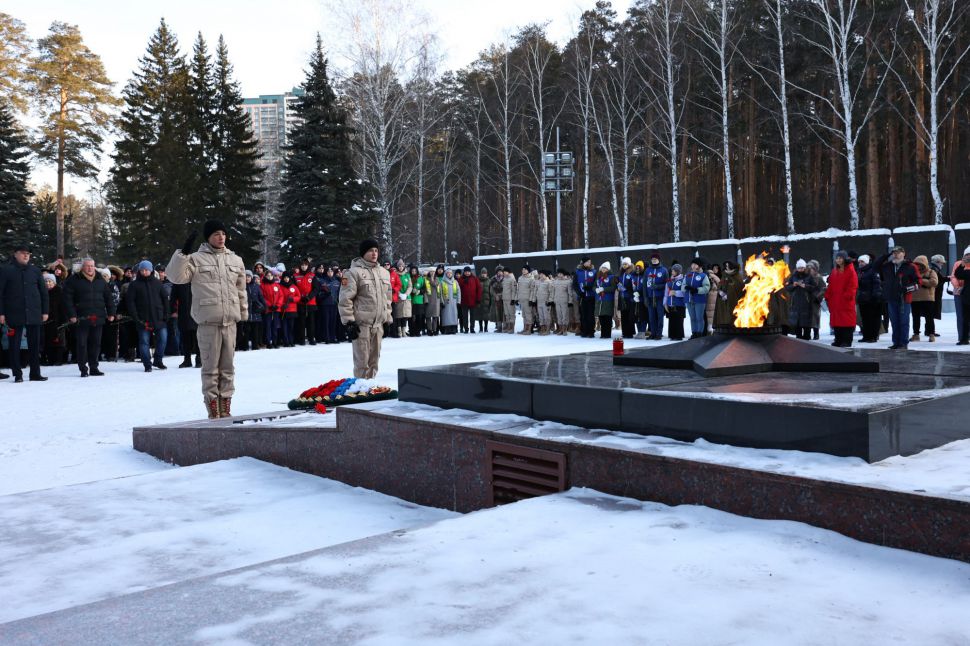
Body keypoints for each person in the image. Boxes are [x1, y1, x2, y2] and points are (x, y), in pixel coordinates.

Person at [167, 220, 248, 418]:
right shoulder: (195, 259)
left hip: (230, 322)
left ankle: (225, 405)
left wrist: (243, 316)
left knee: (228, 368)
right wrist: (183, 254)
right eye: (216, 234)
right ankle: (213, 407)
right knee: (211, 368)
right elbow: (175, 277)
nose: (221, 237)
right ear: (208, 237)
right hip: (208, 323)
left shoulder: (235, 260)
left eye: (223, 233)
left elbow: (241, 291)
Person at [339, 240, 392, 379]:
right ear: (363, 253)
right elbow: (345, 299)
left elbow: (388, 299)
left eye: (376, 250)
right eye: (370, 250)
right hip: (361, 325)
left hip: (378, 325)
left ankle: (370, 388)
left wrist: (387, 320)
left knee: (374, 362)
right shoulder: (352, 273)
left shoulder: (384, 273)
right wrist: (349, 322)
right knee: (362, 363)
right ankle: (360, 391)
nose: (374, 253)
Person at [0, 244, 49, 382]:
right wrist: (1, 313)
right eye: (23, 253)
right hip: (14, 313)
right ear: (15, 254)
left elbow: (43, 292)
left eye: (28, 253)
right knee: (14, 345)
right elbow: (1, 293)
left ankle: (35, 373)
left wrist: (45, 311)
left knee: (34, 345)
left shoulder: (35, 271)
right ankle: (18, 374)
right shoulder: (6, 270)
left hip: (34, 313)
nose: (26, 255)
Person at [62, 258, 116, 377]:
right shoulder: (74, 280)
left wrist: (111, 313)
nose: (90, 268)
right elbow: (67, 300)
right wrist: (72, 315)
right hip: (81, 318)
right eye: (87, 266)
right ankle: (83, 369)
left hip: (98, 317)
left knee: (95, 344)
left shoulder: (100, 280)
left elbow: (108, 298)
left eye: (92, 266)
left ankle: (94, 367)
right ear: (82, 267)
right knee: (82, 344)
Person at [872, 246, 920, 350]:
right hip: (891, 298)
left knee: (903, 321)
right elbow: (875, 267)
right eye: (894, 253)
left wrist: (906, 288)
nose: (896, 254)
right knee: (894, 321)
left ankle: (903, 343)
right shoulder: (887, 266)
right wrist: (886, 255)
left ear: (904, 253)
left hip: (904, 299)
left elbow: (918, 282)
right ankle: (896, 342)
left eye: (898, 252)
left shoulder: (911, 266)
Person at [126, 260, 169, 372]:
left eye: (147, 270)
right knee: (144, 342)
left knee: (163, 339)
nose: (145, 272)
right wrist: (136, 318)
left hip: (159, 317)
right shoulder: (134, 285)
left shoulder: (157, 283)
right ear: (139, 271)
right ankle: (147, 363)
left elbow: (165, 299)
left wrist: (166, 314)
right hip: (142, 319)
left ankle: (158, 360)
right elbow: (130, 302)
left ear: (151, 270)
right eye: (142, 270)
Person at [825, 251, 858, 347]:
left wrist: (847, 296)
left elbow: (853, 285)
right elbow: (830, 285)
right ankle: (838, 340)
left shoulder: (850, 270)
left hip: (845, 300)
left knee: (846, 322)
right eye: (837, 258)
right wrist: (828, 295)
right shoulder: (835, 270)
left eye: (840, 258)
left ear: (845, 259)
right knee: (837, 322)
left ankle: (846, 341)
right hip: (835, 300)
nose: (838, 260)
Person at [786, 259, 818, 340]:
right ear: (796, 268)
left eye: (802, 268)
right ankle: (799, 338)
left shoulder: (809, 276)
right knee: (797, 323)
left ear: (805, 268)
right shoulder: (793, 277)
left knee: (806, 322)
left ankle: (807, 337)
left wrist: (805, 286)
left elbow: (815, 288)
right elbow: (787, 288)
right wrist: (793, 285)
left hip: (806, 303)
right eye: (799, 268)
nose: (800, 269)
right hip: (795, 303)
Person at [910, 255, 939, 343]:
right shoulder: (913, 273)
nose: (918, 266)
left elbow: (934, 282)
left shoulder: (931, 272)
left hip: (927, 298)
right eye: (916, 264)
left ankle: (931, 334)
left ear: (924, 264)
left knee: (929, 317)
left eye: (919, 264)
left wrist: (921, 281)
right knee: (915, 318)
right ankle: (916, 334)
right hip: (914, 298)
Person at [856, 255, 883, 343]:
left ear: (867, 262)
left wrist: (875, 297)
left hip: (871, 299)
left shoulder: (873, 271)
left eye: (862, 261)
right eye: (859, 262)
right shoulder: (859, 272)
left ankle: (873, 336)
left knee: (873, 319)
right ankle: (866, 336)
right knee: (864, 319)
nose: (860, 263)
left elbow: (877, 284)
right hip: (862, 299)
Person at [643, 252, 669, 340]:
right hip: (650, 297)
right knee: (651, 316)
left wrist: (658, 287)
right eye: (652, 259)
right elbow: (644, 285)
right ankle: (652, 333)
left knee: (659, 316)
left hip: (659, 297)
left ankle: (659, 333)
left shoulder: (663, 270)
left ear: (659, 260)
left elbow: (667, 284)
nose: (654, 261)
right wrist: (645, 297)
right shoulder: (647, 270)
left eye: (655, 259)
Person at [683, 258, 711, 338]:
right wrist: (686, 288)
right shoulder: (688, 275)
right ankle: (694, 333)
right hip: (689, 299)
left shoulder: (703, 276)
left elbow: (706, 288)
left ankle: (700, 333)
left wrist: (697, 290)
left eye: (695, 264)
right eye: (692, 264)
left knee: (699, 317)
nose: (693, 266)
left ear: (699, 266)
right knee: (692, 318)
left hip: (699, 300)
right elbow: (682, 286)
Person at [713, 260, 743, 331]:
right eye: (725, 265)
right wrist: (720, 291)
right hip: (722, 299)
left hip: (733, 300)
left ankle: (733, 327)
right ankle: (723, 327)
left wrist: (729, 294)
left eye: (728, 265)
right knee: (723, 314)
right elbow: (721, 284)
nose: (726, 267)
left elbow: (739, 287)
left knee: (731, 314)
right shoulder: (725, 274)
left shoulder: (737, 275)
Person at [574, 256, 596, 338]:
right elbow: (575, 284)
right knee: (583, 315)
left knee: (590, 315)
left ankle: (591, 331)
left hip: (591, 296)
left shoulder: (594, 271)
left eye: (590, 261)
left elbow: (595, 283)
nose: (589, 263)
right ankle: (584, 331)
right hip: (582, 297)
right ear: (583, 263)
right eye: (587, 262)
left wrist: (591, 288)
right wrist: (579, 293)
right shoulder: (578, 272)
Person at [243, 270, 265, 350]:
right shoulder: (242, 286)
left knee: (255, 331)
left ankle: (255, 346)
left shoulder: (256, 286)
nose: (247, 278)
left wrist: (263, 306)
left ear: (251, 277)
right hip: (246, 312)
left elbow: (261, 297)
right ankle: (244, 347)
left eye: (248, 276)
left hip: (255, 311)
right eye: (245, 276)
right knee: (246, 330)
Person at [951, 248, 969, 345]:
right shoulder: (958, 264)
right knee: (961, 316)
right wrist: (957, 286)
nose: (968, 256)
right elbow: (954, 276)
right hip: (959, 292)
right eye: (967, 254)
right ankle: (962, 337)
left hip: (967, 291)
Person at [594, 261, 616, 339]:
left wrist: (604, 289)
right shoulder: (598, 277)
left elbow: (613, 288)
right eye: (603, 268)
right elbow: (594, 286)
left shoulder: (611, 277)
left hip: (608, 299)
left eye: (605, 268)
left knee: (607, 318)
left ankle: (607, 334)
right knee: (601, 317)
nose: (604, 270)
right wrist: (596, 289)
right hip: (599, 300)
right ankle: (603, 333)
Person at [664, 263, 686, 341]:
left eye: (673, 271)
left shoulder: (683, 280)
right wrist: (665, 303)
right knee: (672, 320)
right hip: (670, 304)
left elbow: (684, 292)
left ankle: (679, 335)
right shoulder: (669, 281)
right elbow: (666, 293)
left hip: (679, 304)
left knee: (678, 320)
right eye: (672, 271)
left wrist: (676, 293)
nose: (672, 272)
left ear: (678, 271)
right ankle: (672, 335)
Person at [617, 257, 637, 339]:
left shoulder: (632, 272)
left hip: (629, 297)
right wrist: (618, 286)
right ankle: (625, 332)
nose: (624, 266)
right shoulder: (621, 273)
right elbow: (619, 282)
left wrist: (627, 288)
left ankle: (630, 332)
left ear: (629, 264)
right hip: (622, 296)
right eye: (623, 264)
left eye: (625, 264)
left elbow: (634, 283)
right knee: (623, 315)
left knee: (630, 315)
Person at [438, 268, 461, 334]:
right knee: (446, 316)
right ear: (445, 274)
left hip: (454, 302)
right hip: (446, 302)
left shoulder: (455, 282)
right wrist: (441, 302)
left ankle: (453, 329)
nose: (449, 274)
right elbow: (440, 293)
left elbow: (458, 292)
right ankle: (446, 329)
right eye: (448, 273)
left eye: (450, 273)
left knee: (454, 315)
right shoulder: (442, 282)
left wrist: (458, 301)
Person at [516, 265, 536, 335]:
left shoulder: (531, 279)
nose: (523, 270)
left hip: (528, 299)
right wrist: (517, 298)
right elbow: (518, 289)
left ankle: (529, 329)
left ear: (528, 270)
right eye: (522, 269)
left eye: (525, 269)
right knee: (524, 315)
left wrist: (531, 300)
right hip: (522, 299)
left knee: (528, 315)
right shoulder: (520, 278)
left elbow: (532, 290)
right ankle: (525, 328)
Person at [930, 254, 946, 338]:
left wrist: (947, 278)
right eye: (942, 263)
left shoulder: (934, 269)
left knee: (930, 313)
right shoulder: (934, 270)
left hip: (934, 294)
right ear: (937, 262)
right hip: (933, 295)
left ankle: (930, 331)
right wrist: (946, 279)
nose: (942, 264)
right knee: (931, 313)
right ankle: (930, 331)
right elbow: (937, 282)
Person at [410, 265, 429, 337]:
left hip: (419, 300)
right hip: (411, 300)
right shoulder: (409, 278)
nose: (414, 272)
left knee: (419, 317)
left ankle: (418, 331)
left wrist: (420, 291)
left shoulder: (421, 278)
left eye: (415, 271)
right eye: (412, 271)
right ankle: (412, 331)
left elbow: (424, 288)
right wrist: (412, 291)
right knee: (411, 317)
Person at [474, 267, 492, 333]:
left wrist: (491, 300)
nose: (483, 274)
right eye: (482, 273)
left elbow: (491, 291)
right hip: (479, 300)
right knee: (480, 315)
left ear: (487, 274)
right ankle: (481, 327)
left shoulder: (489, 281)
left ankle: (486, 327)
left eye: (485, 273)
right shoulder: (477, 280)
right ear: (481, 274)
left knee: (486, 315)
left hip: (487, 300)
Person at [705, 263, 721, 335]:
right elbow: (719, 283)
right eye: (714, 268)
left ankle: (709, 329)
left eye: (717, 268)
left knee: (710, 313)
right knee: (710, 313)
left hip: (712, 297)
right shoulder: (712, 275)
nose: (716, 269)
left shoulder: (708, 275)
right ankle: (710, 329)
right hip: (712, 297)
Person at [501, 266, 517, 333]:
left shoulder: (512, 279)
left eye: (505, 272)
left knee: (511, 314)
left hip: (510, 299)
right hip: (505, 299)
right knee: (507, 314)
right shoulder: (504, 279)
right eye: (503, 272)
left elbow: (514, 290)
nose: (504, 273)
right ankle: (508, 326)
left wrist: (513, 299)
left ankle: (512, 327)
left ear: (509, 272)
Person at [425, 268, 441, 336]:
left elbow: (435, 285)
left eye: (433, 271)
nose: (432, 273)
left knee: (435, 316)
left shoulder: (437, 279)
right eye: (431, 271)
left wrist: (432, 278)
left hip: (436, 300)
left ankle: (434, 330)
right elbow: (424, 289)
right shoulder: (426, 279)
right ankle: (429, 330)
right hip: (428, 300)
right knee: (428, 316)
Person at [488, 265, 504, 333]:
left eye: (501, 271)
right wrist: (495, 295)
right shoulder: (493, 279)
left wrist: (500, 295)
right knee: (497, 313)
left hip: (503, 298)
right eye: (498, 271)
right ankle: (499, 326)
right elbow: (491, 289)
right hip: (495, 299)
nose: (499, 273)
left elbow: (506, 289)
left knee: (504, 313)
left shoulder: (505, 279)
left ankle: (505, 326)